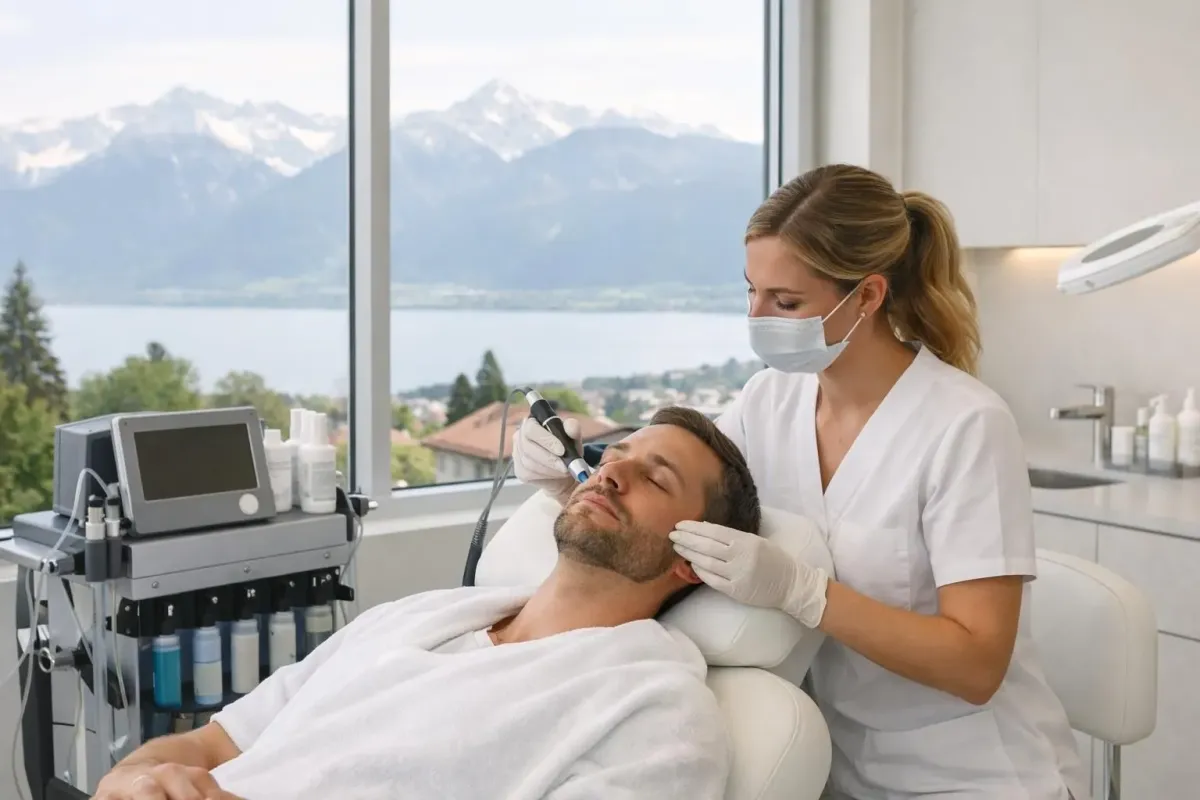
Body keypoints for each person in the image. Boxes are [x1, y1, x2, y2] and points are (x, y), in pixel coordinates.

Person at [513, 164, 1090, 799]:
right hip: (835, 768)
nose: (759, 317)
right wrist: (573, 484)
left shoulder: (965, 426)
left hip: (972, 773)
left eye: (786, 303)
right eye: (751, 293)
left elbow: (977, 664)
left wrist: (805, 593)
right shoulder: (770, 399)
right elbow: (681, 510)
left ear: (868, 296)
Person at [93, 406, 759, 800]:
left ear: (692, 555)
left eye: (654, 478)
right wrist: (130, 779)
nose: (611, 471)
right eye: (615, 453)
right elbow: (211, 741)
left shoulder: (654, 711)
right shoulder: (413, 619)